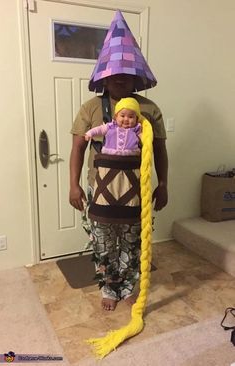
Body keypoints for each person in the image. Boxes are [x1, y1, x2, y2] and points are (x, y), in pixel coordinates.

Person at [69, 10, 168, 311]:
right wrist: (73, 186)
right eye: (114, 72)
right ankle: (109, 288)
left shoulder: (149, 108)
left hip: (138, 192)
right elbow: (77, 149)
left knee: (133, 241)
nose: (120, 77)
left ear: (136, 75)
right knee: (103, 243)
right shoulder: (90, 109)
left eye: (126, 72)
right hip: (97, 191)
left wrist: (163, 184)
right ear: (103, 75)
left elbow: (161, 151)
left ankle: (127, 285)